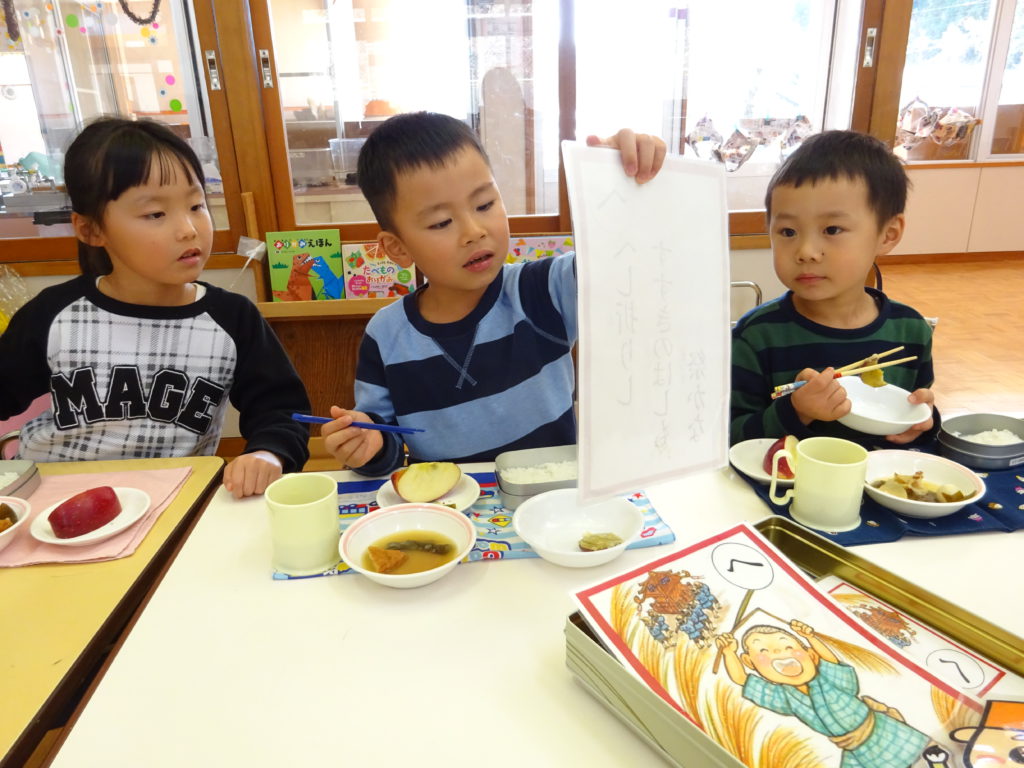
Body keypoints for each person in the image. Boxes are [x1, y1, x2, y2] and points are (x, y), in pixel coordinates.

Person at [322, 111, 665, 475]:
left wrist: (618, 182)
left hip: (551, 498)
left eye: (485, 204)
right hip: (449, 502)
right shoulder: (387, 334)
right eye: (441, 222)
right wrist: (367, 446)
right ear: (398, 248)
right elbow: (385, 442)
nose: (473, 231)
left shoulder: (543, 290)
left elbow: (619, 266)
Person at [0, 117, 310, 498]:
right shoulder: (55, 314)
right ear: (91, 230)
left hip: (172, 501)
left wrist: (268, 452)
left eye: (196, 205)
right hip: (49, 497)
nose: (189, 229)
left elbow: (281, 410)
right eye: (156, 214)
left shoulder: (232, 320)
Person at [730, 130, 938, 448]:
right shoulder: (756, 336)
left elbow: (915, 420)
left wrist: (924, 422)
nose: (806, 251)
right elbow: (730, 438)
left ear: (888, 234)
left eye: (832, 229)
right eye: (788, 232)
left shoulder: (910, 331)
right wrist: (795, 411)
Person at [715, 621, 930, 768]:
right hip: (854, 750)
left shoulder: (827, 678)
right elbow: (742, 680)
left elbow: (831, 661)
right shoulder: (785, 697)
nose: (779, 653)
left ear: (811, 655)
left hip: (882, 731)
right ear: (749, 662)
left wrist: (810, 637)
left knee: (924, 758)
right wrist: (729, 653)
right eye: (763, 652)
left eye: (788, 647)